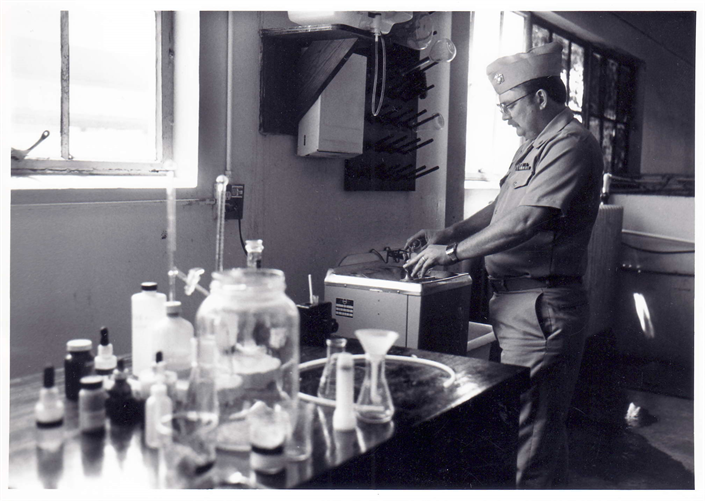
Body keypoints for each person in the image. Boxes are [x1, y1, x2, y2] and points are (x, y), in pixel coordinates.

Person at [403, 42, 603, 489]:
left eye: (509, 104)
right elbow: (503, 207)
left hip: (541, 305)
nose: (505, 115)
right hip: (517, 302)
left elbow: (530, 219)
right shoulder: (535, 144)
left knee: (529, 437)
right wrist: (449, 233)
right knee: (535, 427)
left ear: (540, 98)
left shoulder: (570, 144)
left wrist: (453, 255)